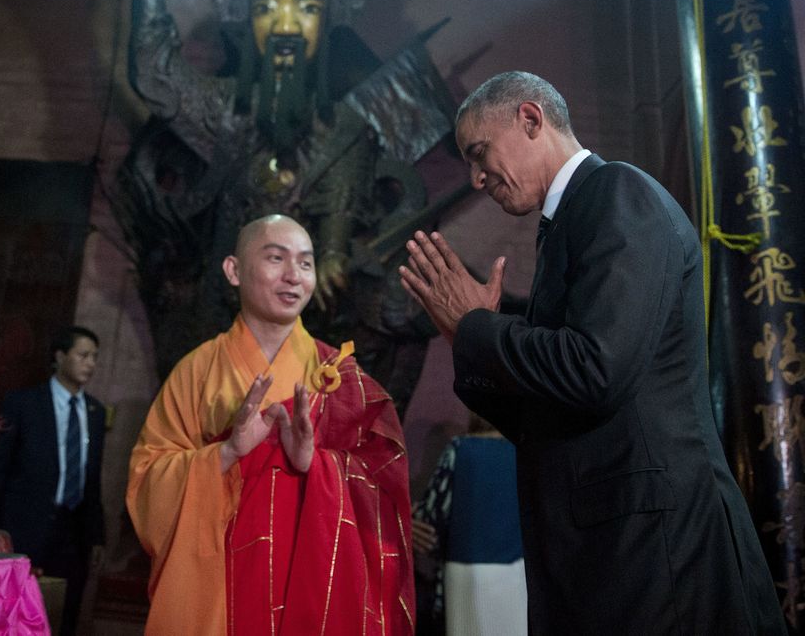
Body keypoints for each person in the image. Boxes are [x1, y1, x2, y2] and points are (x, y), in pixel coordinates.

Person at [399, 71, 783, 634]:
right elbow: (551, 413)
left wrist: (479, 328)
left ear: (530, 119)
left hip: (655, 548)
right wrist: (468, 339)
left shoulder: (617, 193)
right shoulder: (569, 223)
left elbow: (595, 368)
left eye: (479, 153)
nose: (477, 179)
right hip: (608, 546)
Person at [118, 0, 456, 411]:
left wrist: (333, 262)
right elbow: (156, 77)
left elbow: (340, 224)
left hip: (308, 340)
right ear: (247, 21)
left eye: (306, 7)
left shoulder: (346, 129)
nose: (286, 25)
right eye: (267, 7)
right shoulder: (224, 108)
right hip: (222, 325)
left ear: (327, 22)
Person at [127, 214, 414, 635]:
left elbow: (384, 484)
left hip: (309, 578)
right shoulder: (196, 371)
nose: (293, 276)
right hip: (219, 584)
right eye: (276, 258)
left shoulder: (338, 376)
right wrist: (226, 454)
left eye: (305, 263)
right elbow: (147, 478)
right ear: (234, 270)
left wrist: (316, 463)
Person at [0, 326, 106, 636]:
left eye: (94, 357)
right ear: (60, 356)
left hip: (73, 530)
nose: (90, 363)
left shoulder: (95, 412)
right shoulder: (24, 403)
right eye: (83, 355)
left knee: (63, 613)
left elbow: (93, 478)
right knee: (15, 611)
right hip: (26, 523)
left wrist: (97, 535)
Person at [412, 414, 525, 636]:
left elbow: (431, 523)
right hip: (516, 576)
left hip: (464, 573)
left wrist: (413, 518)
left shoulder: (461, 449)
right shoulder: (526, 453)